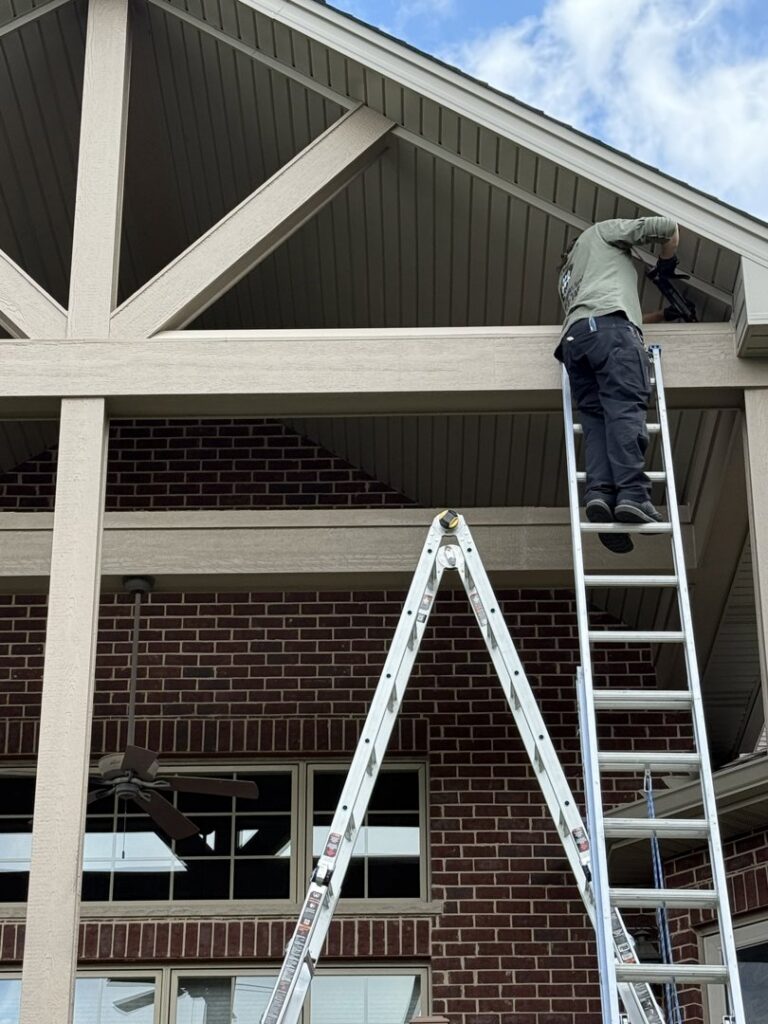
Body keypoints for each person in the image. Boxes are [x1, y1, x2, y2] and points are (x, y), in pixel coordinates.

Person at [555, 216, 681, 554]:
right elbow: (668, 228)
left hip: (576, 342)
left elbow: (611, 312)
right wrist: (666, 266)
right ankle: (634, 495)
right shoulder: (600, 231)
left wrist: (664, 316)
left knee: (597, 422)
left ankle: (601, 494)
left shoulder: (568, 278)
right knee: (625, 410)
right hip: (611, 333)